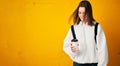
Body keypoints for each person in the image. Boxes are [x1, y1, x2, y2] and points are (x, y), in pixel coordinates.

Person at [63, 0, 108, 66]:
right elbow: (65, 46)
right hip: (78, 64)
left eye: (85, 13)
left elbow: (102, 49)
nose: (82, 16)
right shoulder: (74, 28)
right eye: (80, 13)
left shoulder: (97, 27)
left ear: (89, 12)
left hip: (94, 64)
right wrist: (72, 50)